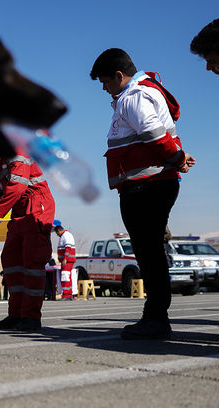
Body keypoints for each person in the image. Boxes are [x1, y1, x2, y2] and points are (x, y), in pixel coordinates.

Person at [90, 48, 195, 340]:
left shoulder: (133, 97)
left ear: (119, 76)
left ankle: (156, 319)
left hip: (146, 186)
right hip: (149, 184)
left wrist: (176, 158)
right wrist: (178, 158)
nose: (103, 87)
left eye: (105, 81)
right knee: (150, 252)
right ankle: (155, 316)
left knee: (149, 253)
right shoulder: (140, 93)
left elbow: (153, 134)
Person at [0, 145, 55, 332]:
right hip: (18, 210)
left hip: (36, 207)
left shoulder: (15, 151)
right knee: (11, 259)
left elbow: (17, 188)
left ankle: (31, 317)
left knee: (32, 261)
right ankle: (16, 314)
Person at [54, 223, 76, 300]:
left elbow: (68, 248)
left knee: (65, 276)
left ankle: (67, 295)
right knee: (66, 277)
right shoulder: (63, 236)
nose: (57, 235)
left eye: (57, 233)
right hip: (66, 260)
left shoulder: (66, 235)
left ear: (59, 230)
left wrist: (65, 259)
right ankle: (68, 294)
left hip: (67, 260)